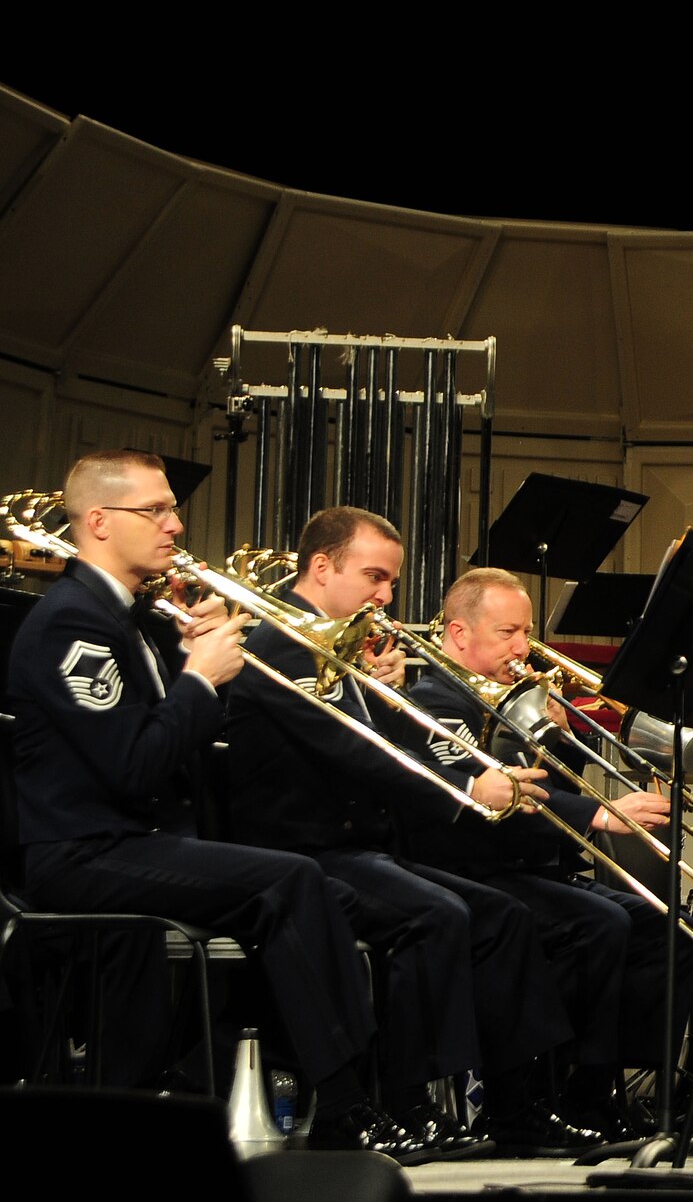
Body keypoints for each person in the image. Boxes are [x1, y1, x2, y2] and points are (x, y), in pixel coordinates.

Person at [3, 450, 422, 1159]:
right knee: (289, 880)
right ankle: (347, 1107)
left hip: (132, 842)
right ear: (98, 521)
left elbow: (174, 748)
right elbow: (133, 768)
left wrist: (201, 674)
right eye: (156, 509)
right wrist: (199, 680)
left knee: (327, 892)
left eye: (172, 507)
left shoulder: (129, 617)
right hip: (84, 851)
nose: (176, 523)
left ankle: (258, 1076)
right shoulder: (70, 622)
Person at [222, 506, 589, 1156]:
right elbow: (351, 752)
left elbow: (372, 745)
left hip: (355, 845)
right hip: (299, 849)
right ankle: (407, 1102)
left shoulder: (339, 638)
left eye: (390, 580)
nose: (387, 595)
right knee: (434, 915)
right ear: (321, 566)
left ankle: (513, 1106)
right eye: (374, 575)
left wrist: (385, 698)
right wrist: (465, 789)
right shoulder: (283, 640)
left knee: (501, 917)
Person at [398, 567, 693, 1145]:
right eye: (509, 632)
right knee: (600, 925)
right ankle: (557, 1094)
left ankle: (606, 1086)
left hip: (527, 864)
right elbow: (491, 794)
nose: (524, 648)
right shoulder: (433, 698)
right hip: (469, 869)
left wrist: (558, 734)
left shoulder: (515, 697)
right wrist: (598, 814)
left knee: (669, 930)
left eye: (527, 631)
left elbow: (542, 779)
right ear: (459, 634)